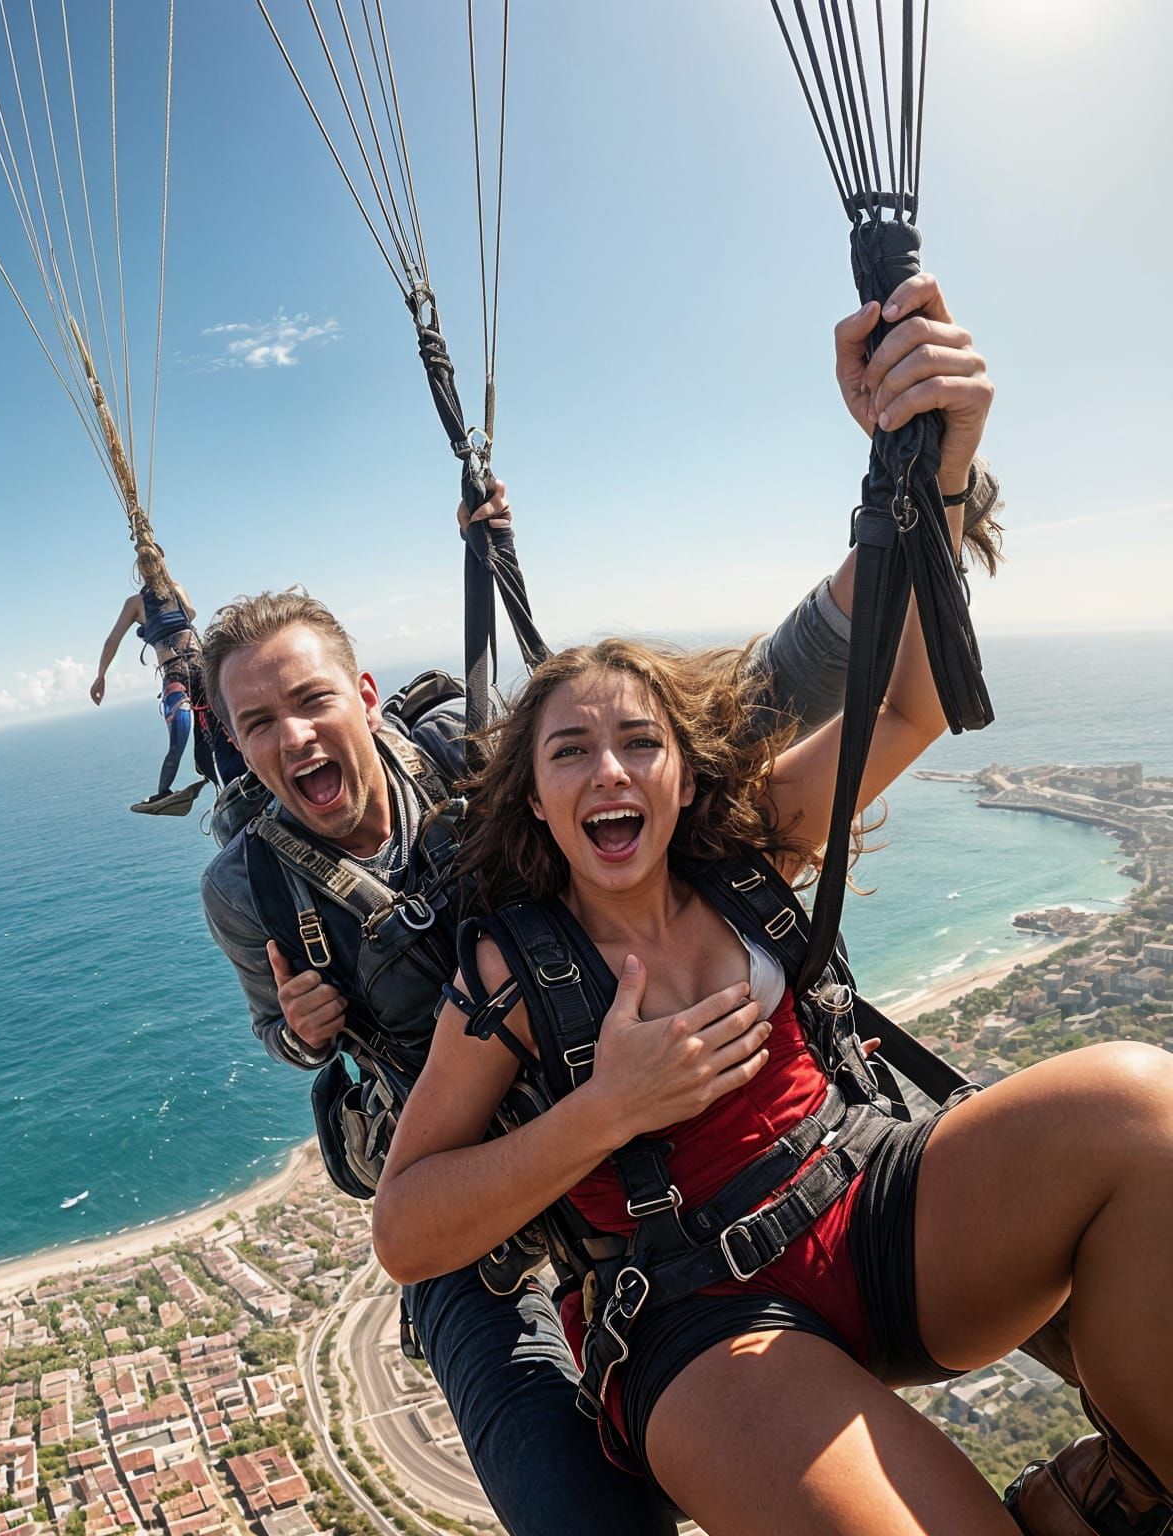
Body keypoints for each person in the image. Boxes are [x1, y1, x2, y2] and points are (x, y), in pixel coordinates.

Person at [200, 278, 1009, 1536]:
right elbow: (368, 1152)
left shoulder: (497, 753)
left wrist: (914, 497)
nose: (293, 736)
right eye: (257, 723)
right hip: (485, 1175)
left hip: (645, 1144)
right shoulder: (250, 888)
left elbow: (738, 707)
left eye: (311, 700)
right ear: (235, 746)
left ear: (361, 694)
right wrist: (302, 1029)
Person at [371, 287, 1173, 1535]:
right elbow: (408, 1230)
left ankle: (1135, 1493)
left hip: (866, 1206)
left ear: (685, 771)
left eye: (641, 739)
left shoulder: (745, 857)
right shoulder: (512, 971)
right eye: (571, 751)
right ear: (534, 801)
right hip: (694, 1322)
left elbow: (906, 711)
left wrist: (938, 480)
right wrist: (608, 1109)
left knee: (1143, 1109)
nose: (611, 770)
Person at [90, 543, 245, 806]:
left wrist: (101, 676)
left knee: (210, 730)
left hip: (195, 669)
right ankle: (167, 791)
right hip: (185, 671)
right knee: (195, 729)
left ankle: (232, 782)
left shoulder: (166, 593)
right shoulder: (143, 601)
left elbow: (112, 640)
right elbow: (113, 641)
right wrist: (101, 675)